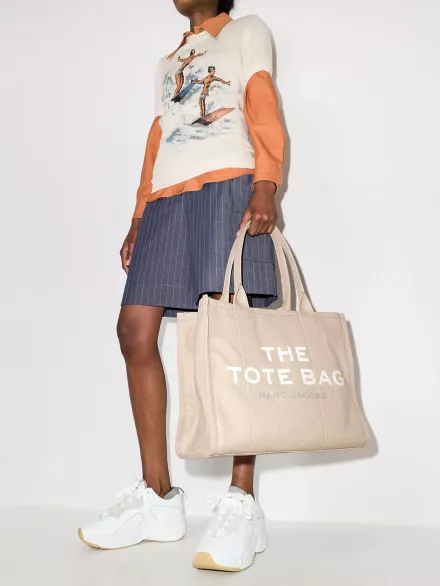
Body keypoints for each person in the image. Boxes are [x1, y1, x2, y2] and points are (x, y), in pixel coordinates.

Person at [79, 0, 285, 572]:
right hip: (167, 201)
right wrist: (139, 216)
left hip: (228, 184)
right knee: (134, 331)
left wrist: (265, 184)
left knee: (231, 341)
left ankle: (242, 502)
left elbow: (261, 104)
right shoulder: (168, 62)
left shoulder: (245, 31)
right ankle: (158, 498)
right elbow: (159, 139)